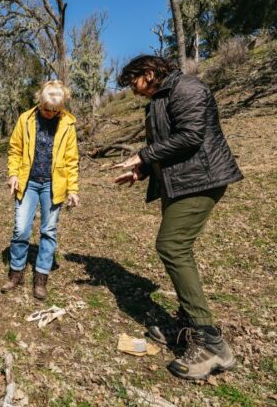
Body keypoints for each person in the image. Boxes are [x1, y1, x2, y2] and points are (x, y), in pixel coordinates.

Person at [113, 55, 243, 380]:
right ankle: (187, 326)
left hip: (202, 180)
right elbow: (166, 144)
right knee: (176, 247)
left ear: (148, 73)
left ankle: (210, 342)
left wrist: (142, 155)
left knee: (172, 246)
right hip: (180, 182)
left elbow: (190, 136)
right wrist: (143, 170)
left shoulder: (187, 88)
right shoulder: (161, 98)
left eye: (134, 84)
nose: (134, 92)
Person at [2, 80, 79, 300]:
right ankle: (16, 273)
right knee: (21, 229)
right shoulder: (25, 119)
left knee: (48, 231)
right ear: (40, 101)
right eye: (46, 109)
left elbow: (72, 160)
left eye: (55, 111)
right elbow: (15, 149)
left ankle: (41, 277)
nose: (49, 114)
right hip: (28, 182)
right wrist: (13, 174)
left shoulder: (67, 123)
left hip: (53, 184)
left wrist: (73, 189)